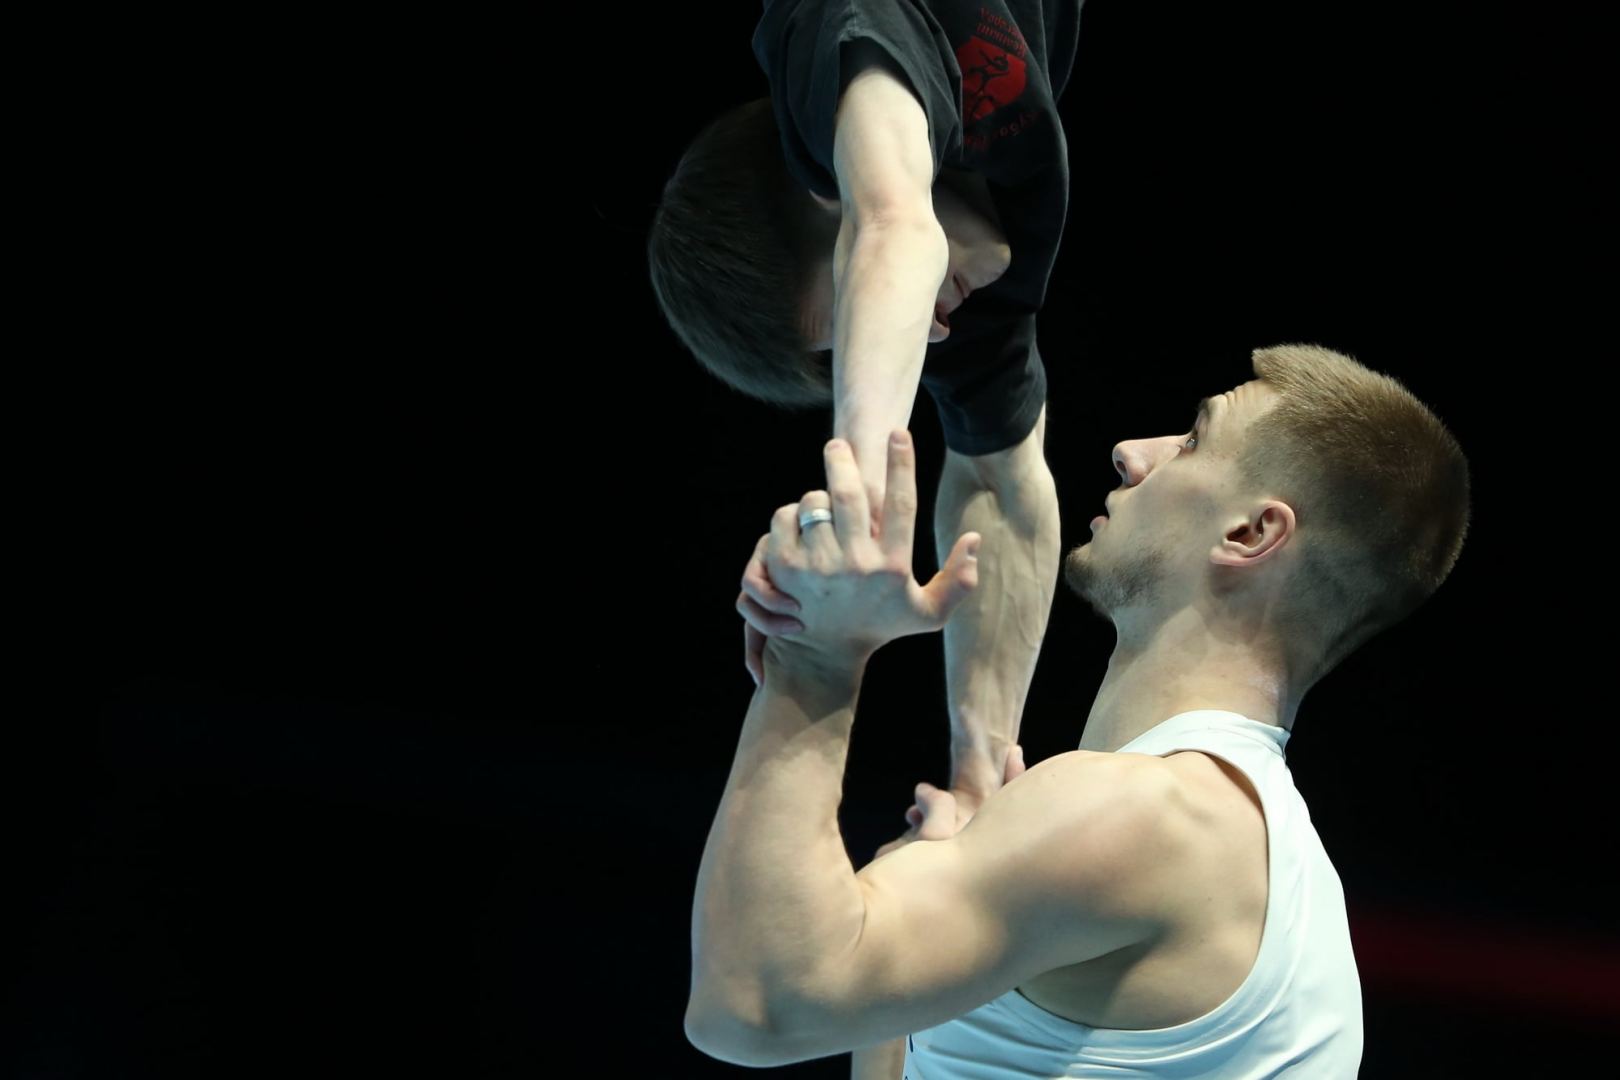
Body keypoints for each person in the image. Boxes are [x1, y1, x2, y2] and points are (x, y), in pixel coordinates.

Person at [691, 344, 1471, 1076]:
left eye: (1194, 440)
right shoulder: (1262, 856)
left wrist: (816, 662)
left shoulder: (1152, 816)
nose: (1133, 451)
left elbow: (751, 1008)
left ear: (1252, 532)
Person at [648, 1, 1087, 801]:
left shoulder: (830, 31)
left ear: (827, 180)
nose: (932, 334)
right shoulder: (972, 302)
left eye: (855, 311)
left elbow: (891, 226)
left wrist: (861, 523)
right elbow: (1001, 490)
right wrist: (977, 780)